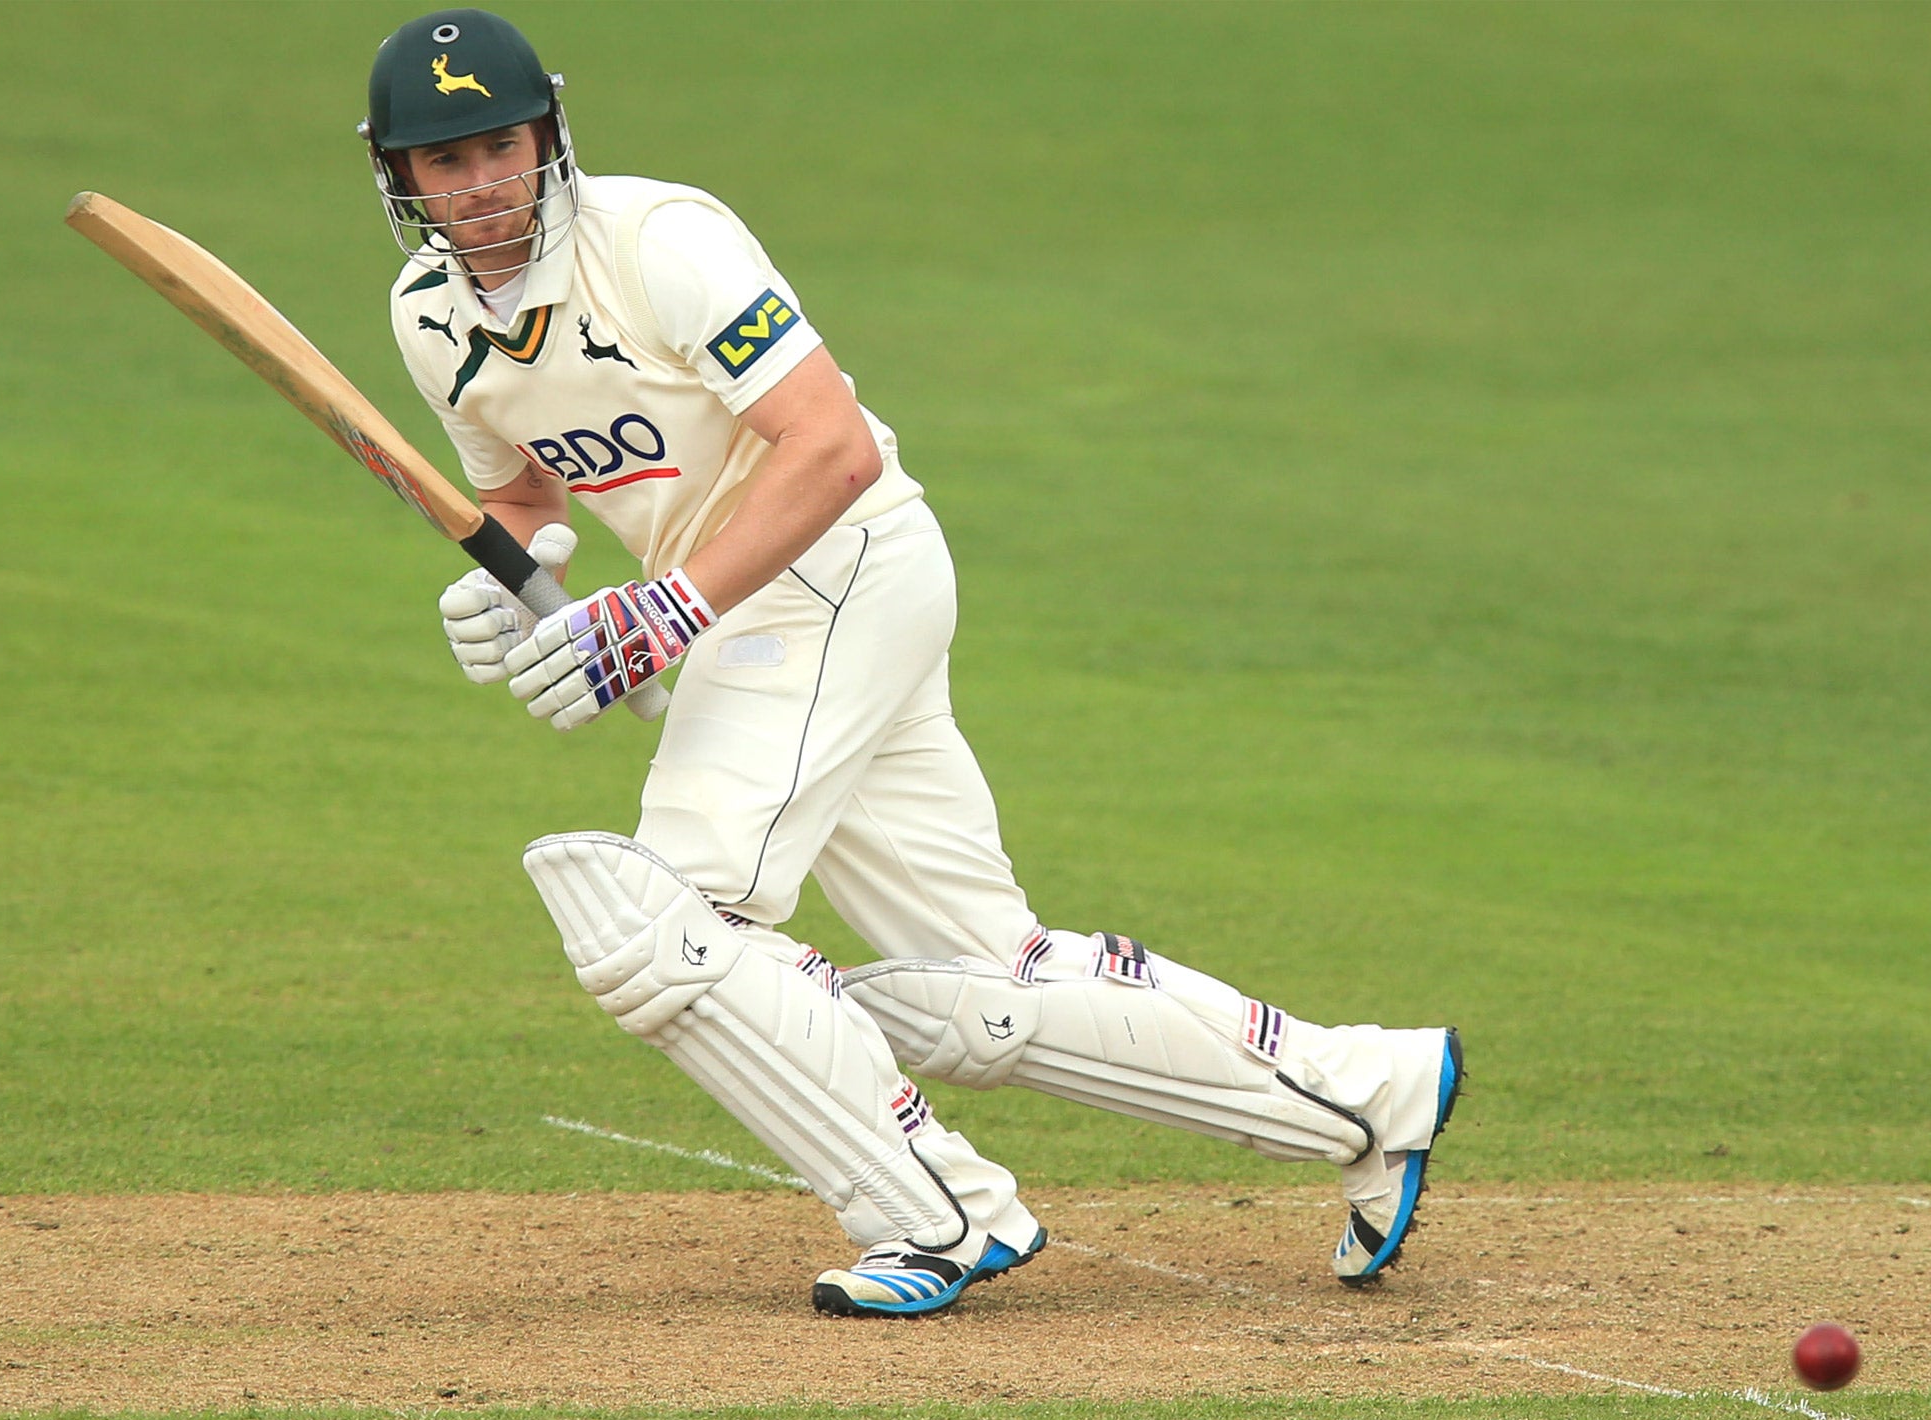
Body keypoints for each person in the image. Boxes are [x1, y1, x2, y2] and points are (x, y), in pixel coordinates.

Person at [361, 8, 1464, 1318]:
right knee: (981, 982)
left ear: (548, 129)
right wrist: (512, 580)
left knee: (664, 923)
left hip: (836, 568)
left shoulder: (661, 243)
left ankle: (935, 1219)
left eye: (502, 143)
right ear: (401, 178)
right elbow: (530, 487)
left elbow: (832, 449)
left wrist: (662, 612)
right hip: (747, 610)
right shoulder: (430, 315)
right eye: (447, 161)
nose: (483, 180)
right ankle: (1370, 1088)